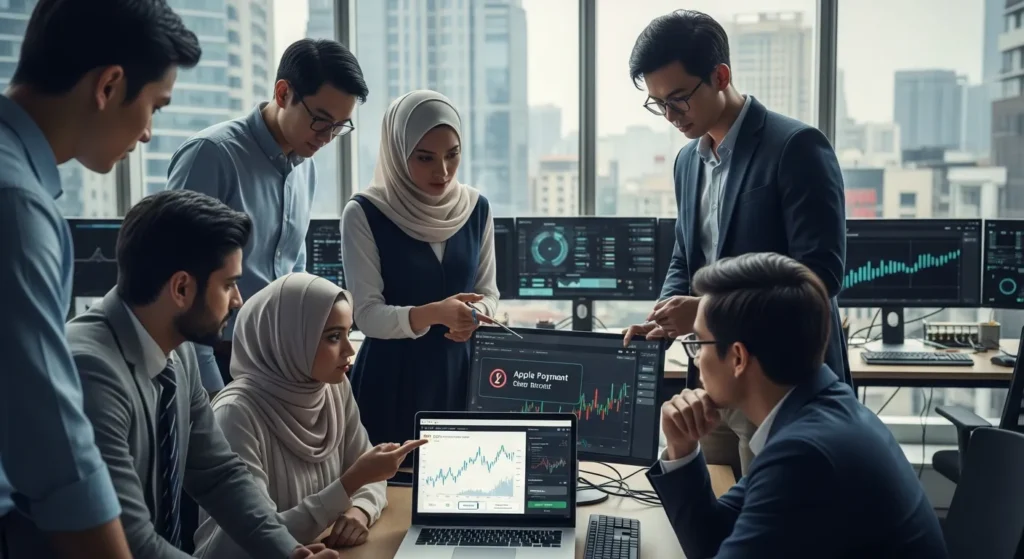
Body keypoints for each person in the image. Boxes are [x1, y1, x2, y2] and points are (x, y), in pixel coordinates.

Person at [3, 190, 341, 559]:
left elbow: (218, 473)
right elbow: (132, 542)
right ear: (181, 288)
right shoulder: (89, 372)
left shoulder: (178, 350)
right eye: (228, 284)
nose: (238, 300)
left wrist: (289, 552)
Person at [0, 1, 201, 557]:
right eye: (154, 107)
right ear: (109, 85)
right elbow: (54, 451)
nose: (147, 135)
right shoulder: (17, 207)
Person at [623, 9, 849, 477]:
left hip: (778, 383)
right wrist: (664, 318)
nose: (669, 115)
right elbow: (687, 256)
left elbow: (820, 277)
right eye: (657, 103)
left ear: (720, 75)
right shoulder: (688, 161)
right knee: (712, 522)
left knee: (772, 535)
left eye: (678, 99)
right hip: (714, 381)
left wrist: (706, 311)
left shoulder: (796, 147)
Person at [649, 252, 947, 558]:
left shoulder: (804, 455)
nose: (696, 357)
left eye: (698, 342)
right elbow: (714, 539)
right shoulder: (820, 412)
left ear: (738, 358)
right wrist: (681, 450)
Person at [168, 38, 369, 393]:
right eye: (321, 121)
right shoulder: (212, 156)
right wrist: (213, 393)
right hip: (218, 356)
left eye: (340, 126)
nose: (327, 137)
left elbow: (294, 274)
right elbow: (180, 289)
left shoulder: (305, 170)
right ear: (282, 93)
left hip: (281, 362)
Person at [194, 273, 425, 557]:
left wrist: (359, 511)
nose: (349, 349)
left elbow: (371, 474)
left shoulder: (331, 390)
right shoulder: (236, 415)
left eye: (347, 332)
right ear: (287, 339)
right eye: (333, 337)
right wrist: (348, 485)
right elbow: (255, 537)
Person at [342, 90, 498, 448]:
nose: (442, 171)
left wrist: (476, 314)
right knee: (387, 493)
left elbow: (489, 292)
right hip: (392, 378)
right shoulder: (365, 213)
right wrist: (434, 314)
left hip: (460, 374)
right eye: (425, 158)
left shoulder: (476, 208)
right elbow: (365, 315)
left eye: (452, 155)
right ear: (398, 153)